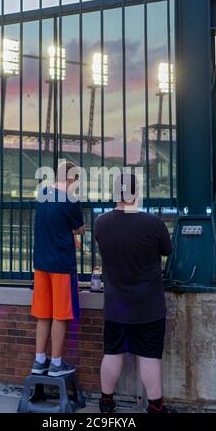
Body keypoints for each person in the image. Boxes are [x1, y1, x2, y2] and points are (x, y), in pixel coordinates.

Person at [95, 173, 174, 413]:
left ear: (114, 193)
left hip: (116, 303)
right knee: (149, 356)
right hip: (148, 304)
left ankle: (106, 403)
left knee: (112, 351)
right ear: (135, 193)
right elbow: (167, 250)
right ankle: (155, 406)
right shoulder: (153, 224)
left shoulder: (101, 223)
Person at [31, 161, 85, 377]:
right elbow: (79, 229)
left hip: (41, 263)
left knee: (43, 315)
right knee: (60, 316)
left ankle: (39, 361)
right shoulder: (70, 200)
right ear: (71, 178)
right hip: (61, 265)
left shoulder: (42, 194)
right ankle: (56, 363)